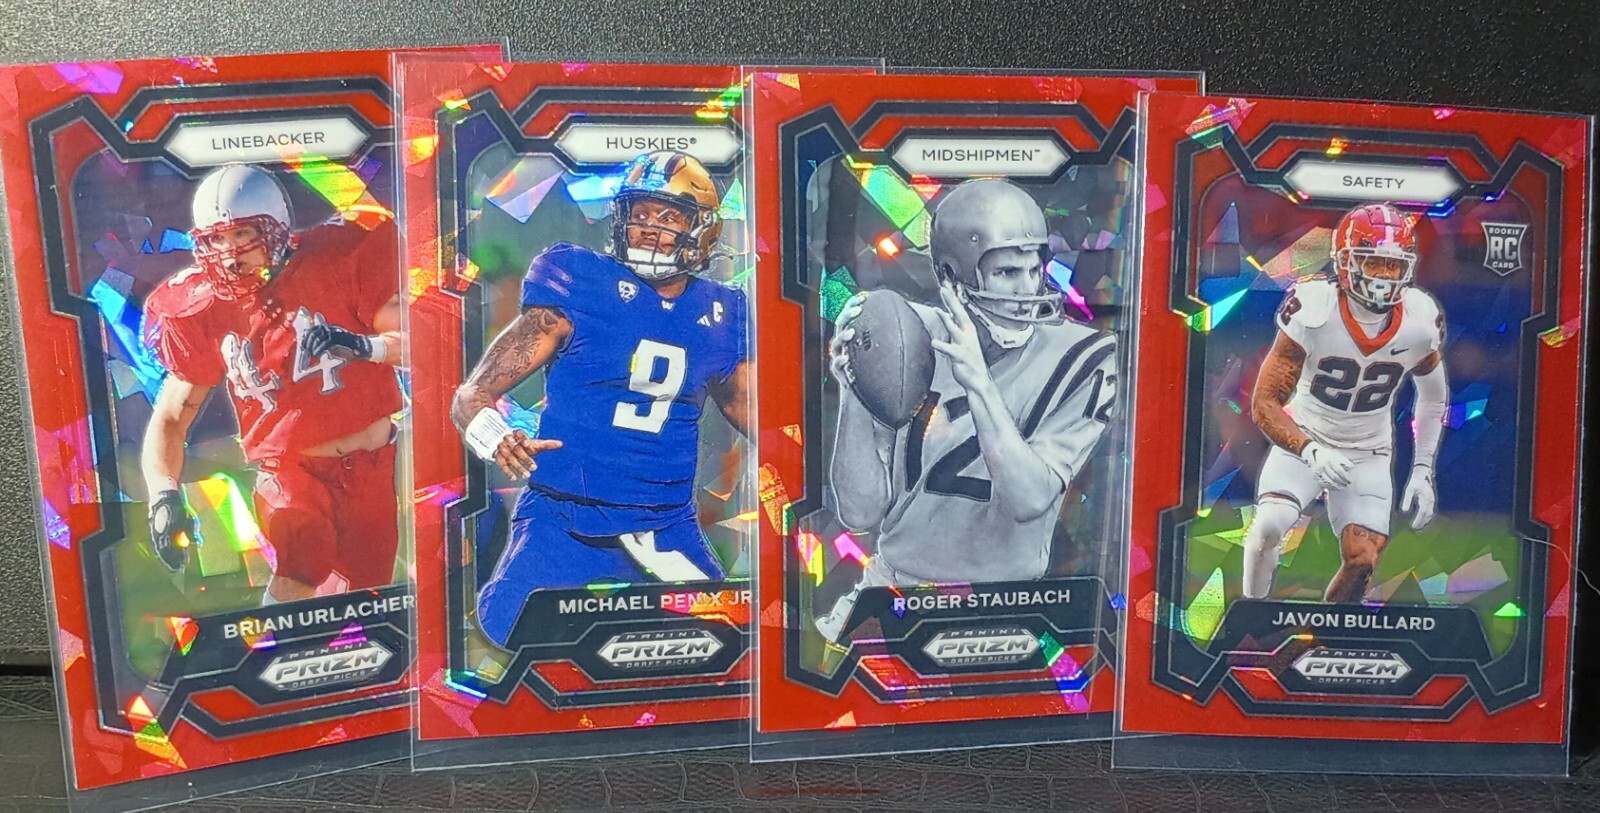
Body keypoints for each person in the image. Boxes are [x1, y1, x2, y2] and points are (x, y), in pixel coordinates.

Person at [453, 151, 750, 647]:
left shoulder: (722, 311)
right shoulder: (579, 279)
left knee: (724, 649)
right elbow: (471, 395)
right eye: (639, 214)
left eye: (668, 216)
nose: (649, 228)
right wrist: (496, 436)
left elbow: (762, 417)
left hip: (663, 525)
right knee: (507, 635)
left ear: (702, 229)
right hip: (564, 518)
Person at [817, 178, 1117, 642]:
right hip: (896, 588)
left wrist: (978, 380)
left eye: (1033, 269)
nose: (1027, 288)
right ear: (952, 277)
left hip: (1012, 602)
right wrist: (854, 392)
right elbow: (859, 513)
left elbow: (1029, 500)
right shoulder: (906, 334)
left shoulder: (1083, 354)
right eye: (1006, 272)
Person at [141, 163, 405, 605]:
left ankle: (308, 647)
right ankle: (276, 644)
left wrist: (365, 346)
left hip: (372, 466)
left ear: (277, 228)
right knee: (303, 556)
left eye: (243, 234)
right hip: (291, 472)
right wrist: (162, 495)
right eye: (217, 240)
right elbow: (171, 414)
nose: (230, 253)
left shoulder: (336, 262)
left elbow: (421, 344)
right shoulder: (203, 308)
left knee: (362, 596)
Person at [1242, 202, 1449, 604]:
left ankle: (1326, 633)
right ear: (1345, 262)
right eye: (1373, 262)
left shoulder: (1420, 318)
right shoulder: (1314, 307)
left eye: (1393, 265)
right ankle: (1251, 613)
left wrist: (1423, 470)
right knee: (1268, 527)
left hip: (1368, 452)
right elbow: (1265, 401)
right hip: (1308, 437)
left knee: (1362, 560)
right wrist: (1309, 449)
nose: (1383, 276)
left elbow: (1433, 395)